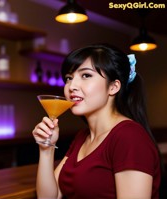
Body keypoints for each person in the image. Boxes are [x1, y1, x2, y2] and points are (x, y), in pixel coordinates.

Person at [32, 43, 161, 199]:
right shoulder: (83, 137)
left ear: (113, 87)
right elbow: (48, 197)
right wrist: (47, 149)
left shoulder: (129, 137)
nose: (71, 86)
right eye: (68, 78)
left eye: (86, 75)